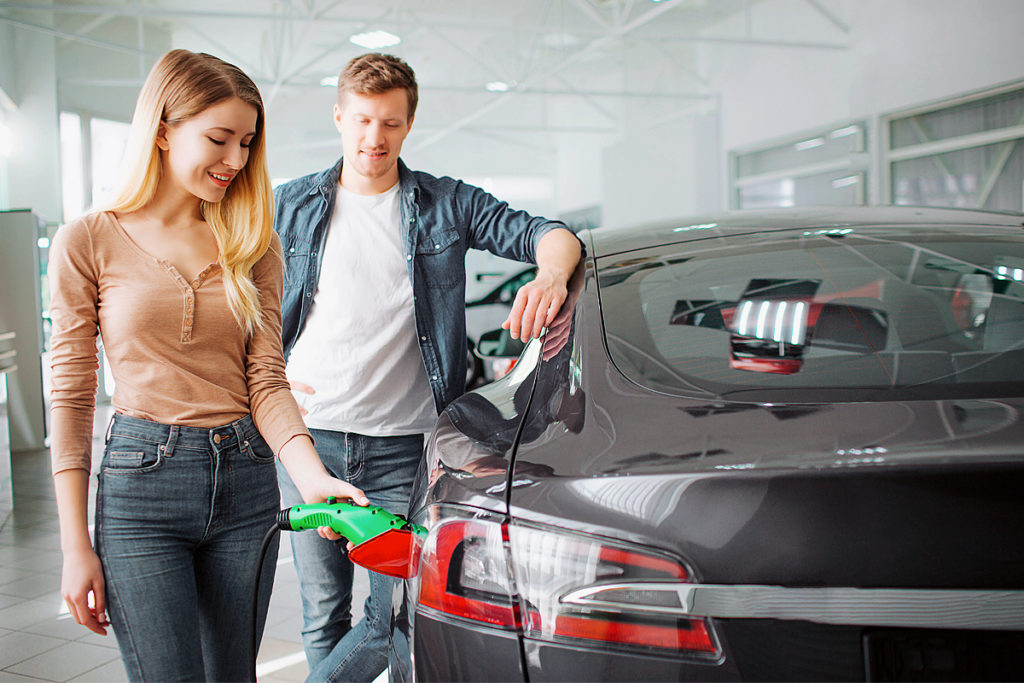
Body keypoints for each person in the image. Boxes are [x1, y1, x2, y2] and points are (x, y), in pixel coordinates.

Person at [48, 49, 367, 682]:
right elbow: (71, 392)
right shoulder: (88, 240)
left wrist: (311, 477)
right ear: (163, 129)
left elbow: (266, 379)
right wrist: (74, 542)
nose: (237, 161)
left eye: (247, 143)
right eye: (219, 139)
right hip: (143, 486)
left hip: (246, 480)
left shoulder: (253, 242)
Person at [274, 52, 582, 682]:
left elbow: (550, 233)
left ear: (408, 125)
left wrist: (550, 272)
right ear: (339, 116)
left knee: (392, 619)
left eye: (389, 123)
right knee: (322, 615)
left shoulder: (446, 204)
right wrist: (265, 376)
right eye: (361, 120)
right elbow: (231, 293)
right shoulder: (289, 207)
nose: (373, 138)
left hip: (405, 449)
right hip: (311, 440)